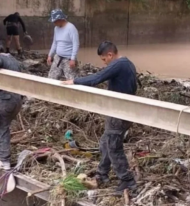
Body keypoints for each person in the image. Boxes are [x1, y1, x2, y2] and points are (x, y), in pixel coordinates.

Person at [62, 41, 137, 194]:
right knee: (105, 143)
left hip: (119, 113)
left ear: (110, 55)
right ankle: (102, 175)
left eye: (104, 59)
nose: (104, 63)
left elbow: (97, 78)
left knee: (113, 147)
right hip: (124, 112)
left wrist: (74, 81)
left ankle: (128, 181)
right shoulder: (128, 63)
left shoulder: (118, 64)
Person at [0, 41, 23, 170]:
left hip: (4, 101)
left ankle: (4, 160)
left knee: (2, 128)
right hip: (16, 100)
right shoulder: (13, 59)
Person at [47, 9, 79, 80]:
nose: (54, 23)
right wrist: (50, 55)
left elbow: (76, 44)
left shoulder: (71, 28)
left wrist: (73, 59)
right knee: (50, 78)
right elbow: (55, 43)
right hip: (58, 58)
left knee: (72, 81)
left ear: (60, 19)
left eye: (55, 21)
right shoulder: (56, 28)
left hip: (68, 59)